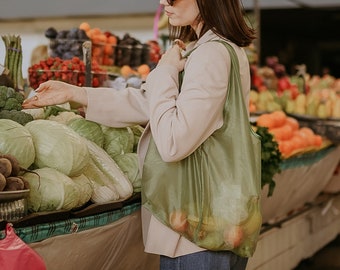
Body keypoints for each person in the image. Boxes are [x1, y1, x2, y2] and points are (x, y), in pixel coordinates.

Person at [23, 0, 256, 269]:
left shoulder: (210, 55)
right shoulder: (214, 49)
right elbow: (149, 102)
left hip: (197, 229)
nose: (163, 2)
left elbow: (173, 142)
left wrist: (166, 71)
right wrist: (76, 93)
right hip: (213, 217)